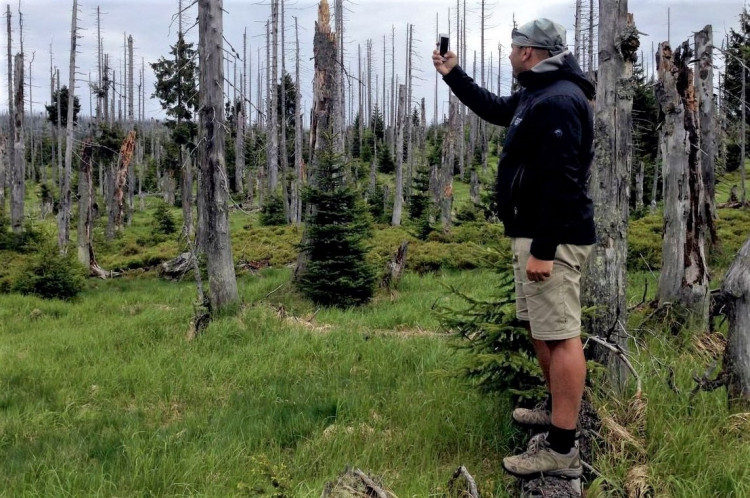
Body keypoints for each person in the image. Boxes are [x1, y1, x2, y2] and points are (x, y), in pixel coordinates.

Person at [433, 18, 596, 479]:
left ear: (529, 52)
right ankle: (554, 411)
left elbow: (565, 182)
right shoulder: (536, 92)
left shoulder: (561, 99)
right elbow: (497, 109)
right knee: (540, 329)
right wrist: (454, 74)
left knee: (561, 336)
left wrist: (543, 249)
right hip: (535, 235)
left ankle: (562, 451)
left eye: (512, 47)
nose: (507, 54)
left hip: (554, 239)